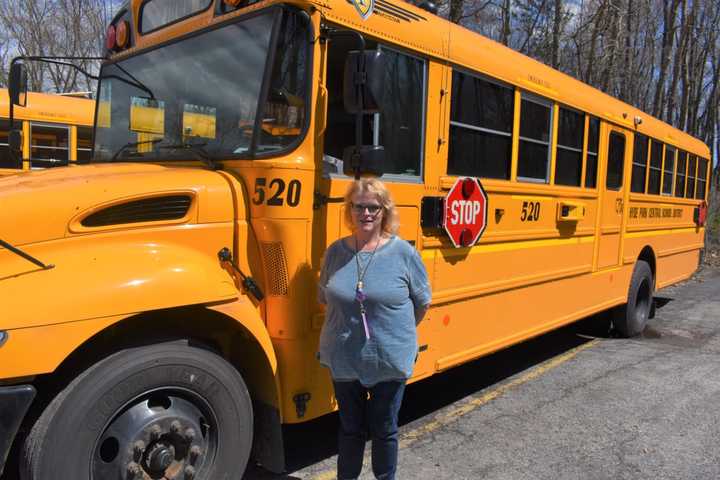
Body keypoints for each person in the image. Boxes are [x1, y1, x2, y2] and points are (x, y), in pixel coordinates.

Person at [317, 177, 432, 480]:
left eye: (373, 207)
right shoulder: (335, 253)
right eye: (359, 207)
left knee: (384, 429)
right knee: (351, 429)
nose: (365, 213)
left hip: (389, 358)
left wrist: (394, 334)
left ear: (384, 211)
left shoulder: (403, 253)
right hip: (344, 358)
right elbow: (324, 297)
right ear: (349, 210)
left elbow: (422, 302)